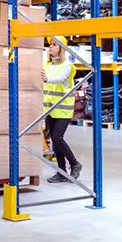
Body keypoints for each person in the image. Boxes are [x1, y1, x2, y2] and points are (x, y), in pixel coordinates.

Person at [42, 36, 82, 183]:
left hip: (63, 108)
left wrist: (46, 79)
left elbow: (59, 79)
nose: (51, 47)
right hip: (50, 108)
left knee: (58, 138)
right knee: (54, 139)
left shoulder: (67, 65)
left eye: (54, 45)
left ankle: (75, 164)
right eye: (50, 45)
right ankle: (61, 172)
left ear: (61, 48)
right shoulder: (46, 64)